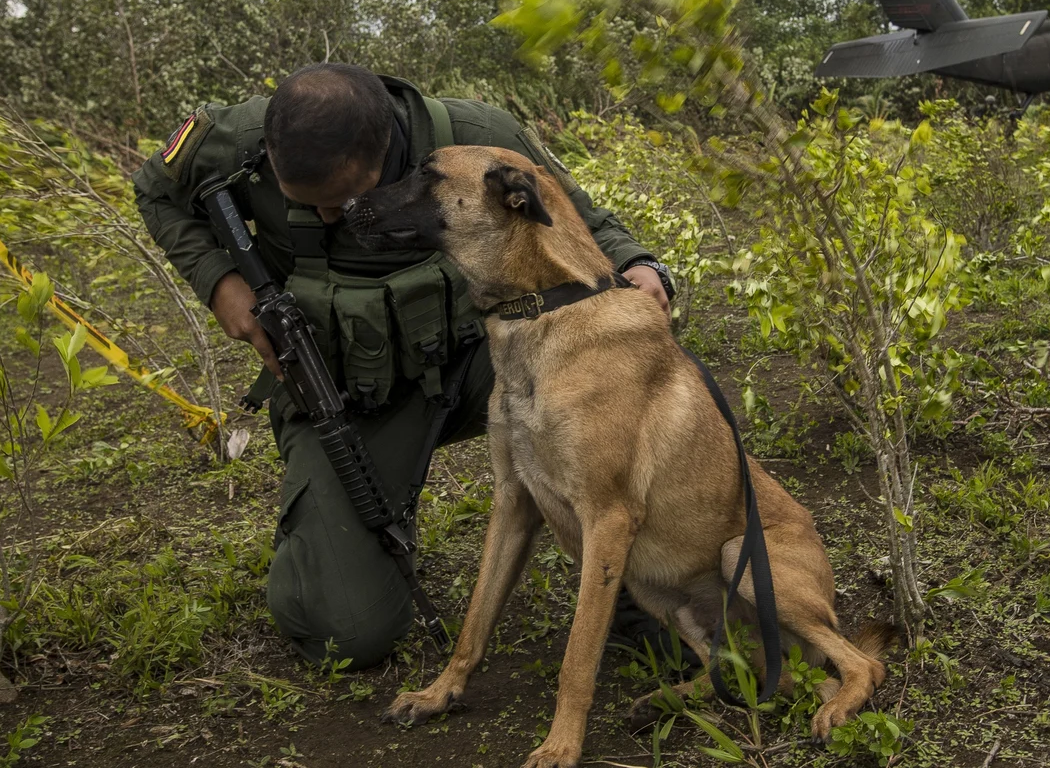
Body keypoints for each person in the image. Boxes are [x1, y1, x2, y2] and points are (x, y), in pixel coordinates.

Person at [132, 63, 677, 667]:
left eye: (345, 200)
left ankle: (634, 589)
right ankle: (339, 527)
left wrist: (641, 265)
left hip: (475, 363)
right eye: (306, 205)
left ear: (387, 147)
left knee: (624, 372)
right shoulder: (228, 141)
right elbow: (153, 191)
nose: (332, 220)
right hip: (344, 393)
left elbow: (572, 213)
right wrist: (219, 281)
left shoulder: (472, 136)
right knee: (346, 632)